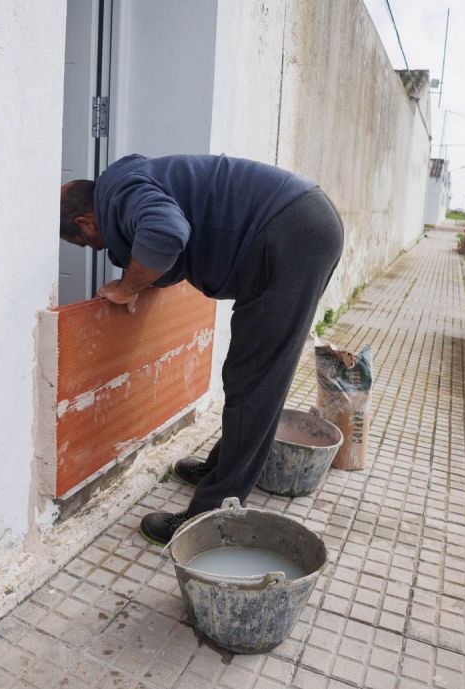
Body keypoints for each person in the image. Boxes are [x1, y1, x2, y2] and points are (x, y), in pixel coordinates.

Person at [59, 153, 343, 545]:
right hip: (294, 224)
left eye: (87, 243)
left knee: (256, 379)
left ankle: (210, 519)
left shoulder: (122, 194)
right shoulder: (126, 188)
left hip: (293, 231)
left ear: (85, 222)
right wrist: (139, 277)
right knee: (252, 374)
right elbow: (175, 237)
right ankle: (221, 470)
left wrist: (127, 287)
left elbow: (166, 232)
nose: (95, 249)